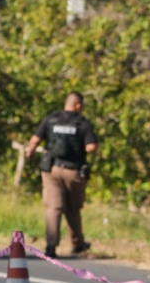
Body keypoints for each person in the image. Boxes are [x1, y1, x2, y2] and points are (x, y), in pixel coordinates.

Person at [24, 92, 98, 258]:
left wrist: (30, 153)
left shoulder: (51, 119)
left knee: (53, 207)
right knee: (73, 208)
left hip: (52, 169)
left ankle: (51, 247)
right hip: (73, 171)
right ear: (78, 105)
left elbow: (35, 140)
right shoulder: (82, 123)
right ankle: (77, 244)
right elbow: (91, 147)